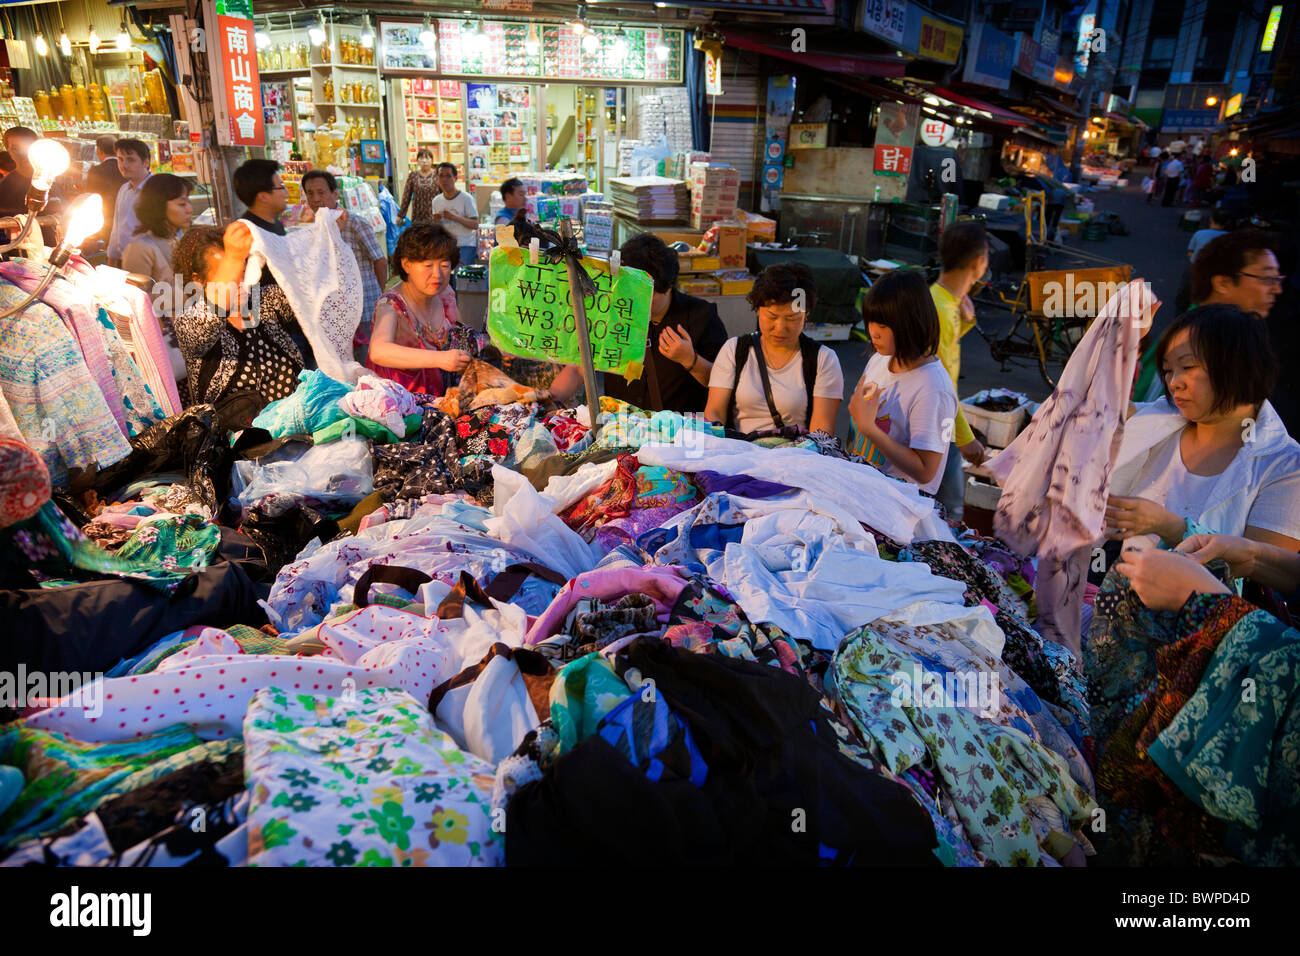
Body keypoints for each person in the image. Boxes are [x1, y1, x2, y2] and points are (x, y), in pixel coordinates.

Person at [1106, 304, 1300, 555]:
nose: (1174, 382)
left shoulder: (1285, 466)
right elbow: (1085, 409)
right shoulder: (1157, 421)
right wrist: (1122, 343)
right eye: (1167, 370)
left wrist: (1171, 527)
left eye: (1187, 367)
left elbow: (1265, 570)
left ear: (1237, 365)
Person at [550, 234, 728, 414]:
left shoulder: (702, 317)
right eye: (630, 292)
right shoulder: (611, 311)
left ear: (668, 286)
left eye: (647, 295)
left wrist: (690, 360)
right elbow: (580, 369)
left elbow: (723, 384)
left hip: (678, 434)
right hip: (620, 429)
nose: (636, 302)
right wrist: (549, 401)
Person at [846, 269, 959, 496]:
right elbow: (855, 433)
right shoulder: (879, 360)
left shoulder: (934, 388)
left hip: (899, 507)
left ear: (911, 323)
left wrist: (870, 429)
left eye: (883, 326)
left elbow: (926, 471)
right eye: (871, 322)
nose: (873, 333)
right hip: (861, 490)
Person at [171, 223, 304, 408]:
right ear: (198, 280)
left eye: (241, 274)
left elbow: (309, 292)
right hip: (239, 436)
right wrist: (233, 257)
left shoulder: (265, 301)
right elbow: (212, 312)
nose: (239, 284)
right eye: (228, 275)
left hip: (297, 428)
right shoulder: (189, 321)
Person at [703, 262, 842, 434]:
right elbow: (714, 411)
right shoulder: (734, 350)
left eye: (792, 318)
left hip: (796, 456)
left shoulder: (823, 360)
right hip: (739, 454)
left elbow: (822, 430)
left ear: (807, 314)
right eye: (772, 316)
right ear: (757, 310)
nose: (780, 327)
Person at [362, 222, 471, 396]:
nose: (437, 274)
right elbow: (378, 351)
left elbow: (461, 333)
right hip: (398, 404)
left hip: (440, 398)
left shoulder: (446, 294)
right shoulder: (391, 306)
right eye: (428, 265)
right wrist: (440, 359)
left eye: (444, 265)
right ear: (406, 265)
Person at [231, 158, 315, 369]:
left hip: (293, 325)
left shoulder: (273, 225)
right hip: (273, 335)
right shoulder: (246, 233)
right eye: (282, 187)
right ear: (263, 196)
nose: (286, 192)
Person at [930, 222, 990, 517]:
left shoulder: (943, 301)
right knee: (950, 510)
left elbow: (943, 357)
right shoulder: (940, 309)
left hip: (943, 420)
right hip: (938, 423)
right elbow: (940, 381)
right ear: (979, 262)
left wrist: (966, 321)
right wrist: (964, 438)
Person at [122, 174, 193, 383]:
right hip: (170, 344)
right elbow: (140, 306)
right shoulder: (140, 248)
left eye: (188, 202)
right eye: (182, 203)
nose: (189, 209)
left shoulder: (176, 239)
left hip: (189, 336)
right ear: (159, 206)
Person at [301, 169, 388, 337]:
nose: (316, 199)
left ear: (335, 194)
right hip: (333, 313)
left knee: (365, 359)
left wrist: (379, 293)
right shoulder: (313, 227)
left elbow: (380, 261)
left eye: (321, 192)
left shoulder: (354, 223)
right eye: (310, 193)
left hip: (363, 309)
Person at [1189, 229, 1282, 316]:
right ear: (1223, 284)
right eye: (1267, 278)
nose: (1278, 290)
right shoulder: (1194, 332)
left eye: (1278, 279)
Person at [106, 138, 153, 268]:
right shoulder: (124, 189)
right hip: (123, 264)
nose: (124, 165)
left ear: (146, 163)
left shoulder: (157, 190)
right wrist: (111, 262)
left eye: (131, 160)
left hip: (147, 264)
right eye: (120, 159)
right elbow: (117, 230)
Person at [430, 162, 480, 267]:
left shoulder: (466, 198)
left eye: (448, 176)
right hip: (445, 245)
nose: (444, 180)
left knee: (459, 275)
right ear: (437, 179)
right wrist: (436, 221)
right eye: (441, 176)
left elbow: (475, 224)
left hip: (465, 244)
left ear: (455, 178)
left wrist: (454, 217)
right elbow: (437, 227)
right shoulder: (436, 201)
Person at [84, 134, 124, 243]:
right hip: (123, 219)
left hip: (103, 220)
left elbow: (90, 196)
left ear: (99, 151)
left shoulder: (96, 170)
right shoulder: (125, 169)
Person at [0, 127, 38, 218]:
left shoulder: (51, 180)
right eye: (15, 148)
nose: (23, 154)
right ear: (9, 152)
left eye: (28, 147)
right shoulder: (4, 189)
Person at [398, 147, 438, 225]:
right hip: (418, 216)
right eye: (421, 158)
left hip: (435, 217)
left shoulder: (437, 175)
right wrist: (401, 215)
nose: (424, 161)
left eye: (427, 158)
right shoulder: (413, 176)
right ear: (417, 161)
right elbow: (406, 196)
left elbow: (444, 195)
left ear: (432, 161)